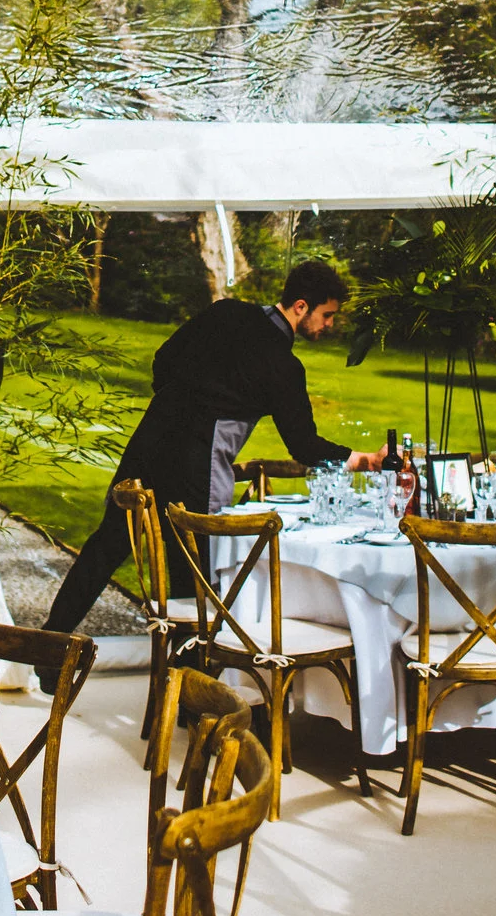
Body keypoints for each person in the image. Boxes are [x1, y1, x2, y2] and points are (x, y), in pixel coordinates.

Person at [40, 259, 384, 652]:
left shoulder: (225, 312)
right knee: (194, 576)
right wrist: (364, 460)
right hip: (196, 466)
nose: (330, 325)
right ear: (301, 306)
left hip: (149, 441)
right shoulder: (283, 366)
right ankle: (187, 677)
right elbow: (304, 446)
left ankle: (48, 644)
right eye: (327, 315)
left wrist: (181, 401)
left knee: (107, 547)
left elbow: (163, 360)